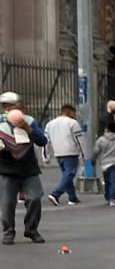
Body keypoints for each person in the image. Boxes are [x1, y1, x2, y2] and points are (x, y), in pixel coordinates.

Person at [0, 91, 49, 244]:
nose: (10, 109)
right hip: (6, 169)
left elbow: (42, 141)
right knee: (7, 203)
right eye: (6, 106)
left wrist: (27, 128)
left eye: (13, 106)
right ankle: (8, 232)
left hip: (29, 169)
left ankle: (31, 229)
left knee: (34, 198)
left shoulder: (29, 121)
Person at [44, 103, 86, 206]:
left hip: (58, 152)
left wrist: (45, 155)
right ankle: (56, 193)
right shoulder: (73, 123)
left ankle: (72, 197)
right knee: (69, 174)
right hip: (71, 151)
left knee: (66, 175)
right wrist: (84, 154)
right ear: (70, 112)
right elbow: (79, 140)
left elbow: (46, 141)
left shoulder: (50, 124)